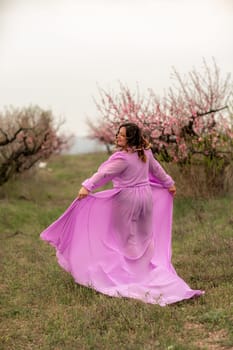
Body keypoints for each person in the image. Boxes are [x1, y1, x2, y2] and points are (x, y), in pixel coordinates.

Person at [40, 122, 204, 306]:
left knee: (123, 238)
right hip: (146, 198)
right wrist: (169, 183)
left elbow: (104, 174)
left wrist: (87, 186)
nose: (118, 136)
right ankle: (144, 270)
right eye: (118, 133)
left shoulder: (123, 158)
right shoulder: (145, 153)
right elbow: (157, 170)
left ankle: (129, 275)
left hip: (127, 200)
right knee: (144, 236)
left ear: (130, 139)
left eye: (122, 135)